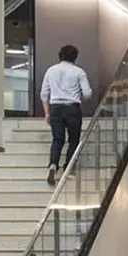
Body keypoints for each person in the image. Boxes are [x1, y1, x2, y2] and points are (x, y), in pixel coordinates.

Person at [41, 45, 91, 183]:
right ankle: (69, 168)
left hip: (55, 108)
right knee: (74, 139)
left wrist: (47, 113)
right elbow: (87, 93)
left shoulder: (51, 71)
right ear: (75, 57)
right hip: (72, 108)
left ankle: (52, 165)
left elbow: (44, 94)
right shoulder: (79, 72)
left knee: (57, 139)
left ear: (60, 55)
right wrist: (79, 97)